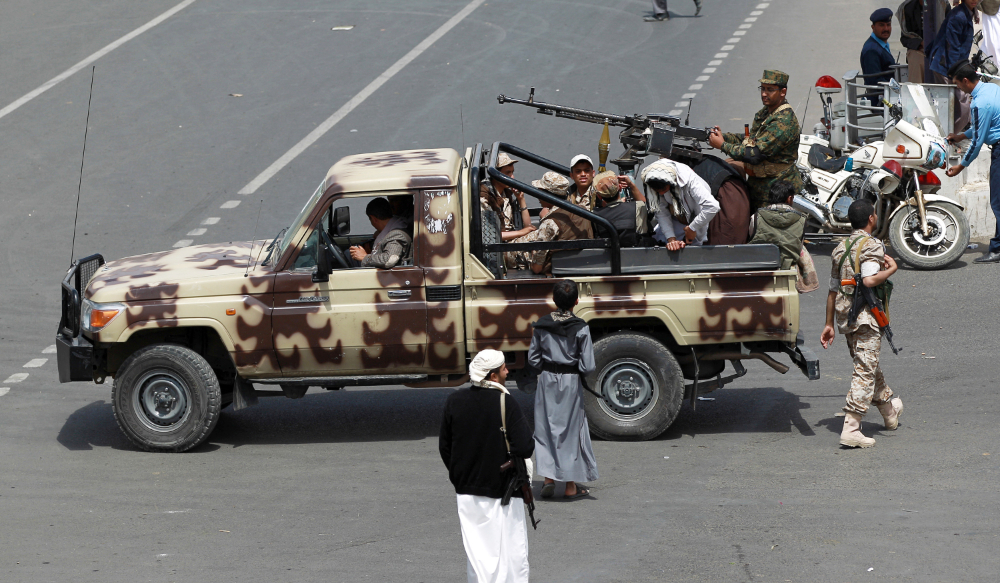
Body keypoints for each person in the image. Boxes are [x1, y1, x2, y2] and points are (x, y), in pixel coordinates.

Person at [440, 349, 534, 582]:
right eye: (503, 368)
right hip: (504, 490)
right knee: (510, 552)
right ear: (493, 376)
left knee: (479, 555)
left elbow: (445, 447)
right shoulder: (506, 402)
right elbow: (525, 447)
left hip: (468, 492)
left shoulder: (454, 401)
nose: (507, 371)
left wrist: (459, 475)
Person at [820, 199, 902, 449]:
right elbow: (868, 281)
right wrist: (892, 269)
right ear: (871, 219)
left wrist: (829, 324)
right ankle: (851, 427)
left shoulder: (839, 247)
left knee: (868, 363)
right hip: (866, 317)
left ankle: (889, 413)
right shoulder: (872, 245)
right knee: (865, 370)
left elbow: (833, 291)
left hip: (846, 318)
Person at [529, 280, 598, 500]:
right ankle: (570, 486)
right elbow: (588, 366)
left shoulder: (541, 325)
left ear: (553, 300)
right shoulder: (581, 327)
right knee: (570, 430)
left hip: (547, 379)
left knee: (545, 427)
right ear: (577, 301)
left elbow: (533, 358)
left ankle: (548, 479)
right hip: (570, 381)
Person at [707, 70, 804, 210]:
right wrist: (723, 136)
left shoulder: (783, 121)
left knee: (768, 229)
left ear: (783, 92)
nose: (764, 94)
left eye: (770, 90)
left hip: (776, 188)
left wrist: (722, 145)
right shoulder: (767, 112)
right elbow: (750, 139)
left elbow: (754, 152)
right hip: (759, 184)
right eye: (762, 88)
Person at [944, 60, 1000, 262]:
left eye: (958, 84)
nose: (959, 88)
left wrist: (961, 166)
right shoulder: (991, 89)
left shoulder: (978, 103)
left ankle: (997, 249)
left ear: (966, 80)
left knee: (997, 202)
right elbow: (984, 126)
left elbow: (977, 141)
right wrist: (960, 136)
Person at [640, 158, 719, 251]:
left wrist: (692, 228)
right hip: (677, 220)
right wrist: (671, 240)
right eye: (658, 191)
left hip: (701, 218)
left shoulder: (691, 182)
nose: (661, 194)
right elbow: (661, 212)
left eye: (664, 190)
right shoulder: (653, 177)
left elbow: (712, 206)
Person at [527, 172, 595, 276]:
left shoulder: (550, 223)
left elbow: (536, 268)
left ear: (547, 195)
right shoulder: (583, 210)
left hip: (554, 266)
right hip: (577, 262)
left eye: (540, 192)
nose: (538, 197)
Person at [926, 0, 978, 130]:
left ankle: (950, 137)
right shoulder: (958, 16)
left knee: (958, 105)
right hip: (945, 65)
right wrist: (957, 72)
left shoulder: (968, 12)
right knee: (957, 105)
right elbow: (952, 46)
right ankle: (948, 138)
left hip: (954, 65)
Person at [748, 181, 807, 269]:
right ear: (789, 198)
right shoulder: (802, 219)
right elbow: (799, 245)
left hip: (760, 267)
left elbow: (750, 236)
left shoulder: (755, 217)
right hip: (788, 268)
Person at [481, 152, 536, 241]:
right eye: (507, 173)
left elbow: (528, 226)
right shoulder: (485, 197)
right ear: (495, 174)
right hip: (501, 248)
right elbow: (490, 236)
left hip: (512, 240)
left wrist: (521, 199)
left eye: (512, 172)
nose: (512, 177)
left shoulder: (506, 192)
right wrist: (521, 232)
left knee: (538, 236)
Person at [349, 198, 412, 268]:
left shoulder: (397, 234)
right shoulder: (390, 230)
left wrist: (364, 257)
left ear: (373, 219)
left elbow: (389, 260)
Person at [591, 171, 648, 247]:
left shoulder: (594, 215)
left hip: (608, 256)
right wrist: (631, 185)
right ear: (620, 188)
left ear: (599, 196)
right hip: (637, 254)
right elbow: (647, 208)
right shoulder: (637, 206)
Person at [862, 8, 898, 87]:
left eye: (888, 25)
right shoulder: (872, 50)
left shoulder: (881, 45)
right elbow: (875, 81)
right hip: (880, 97)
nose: (886, 29)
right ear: (873, 27)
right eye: (881, 25)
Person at [897, 0, 925, 83]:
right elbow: (905, 38)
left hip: (939, 50)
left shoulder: (943, 5)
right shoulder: (907, 8)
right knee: (917, 61)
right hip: (918, 50)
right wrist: (921, 43)